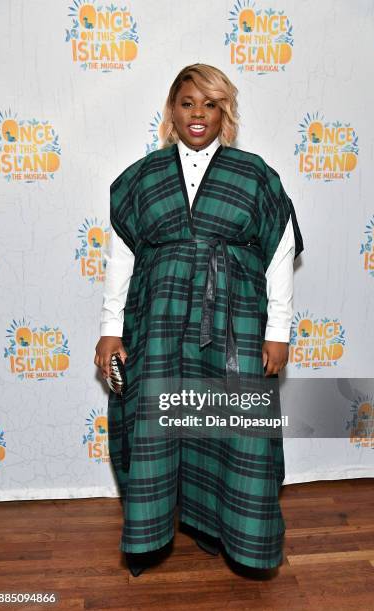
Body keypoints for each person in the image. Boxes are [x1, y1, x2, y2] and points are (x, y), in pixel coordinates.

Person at [94, 63, 304, 577]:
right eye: (188, 103)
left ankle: (229, 535)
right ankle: (150, 536)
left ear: (224, 113)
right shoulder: (141, 177)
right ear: (172, 110)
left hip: (236, 323)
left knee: (232, 428)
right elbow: (122, 257)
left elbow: (279, 252)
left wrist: (278, 332)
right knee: (159, 425)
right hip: (159, 321)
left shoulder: (255, 174)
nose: (198, 115)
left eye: (210, 105)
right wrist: (109, 328)